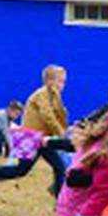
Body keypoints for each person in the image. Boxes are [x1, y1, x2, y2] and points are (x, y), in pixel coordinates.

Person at [23, 64, 70, 196]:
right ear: (49, 81)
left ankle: (58, 196)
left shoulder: (54, 96)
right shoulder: (41, 94)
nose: (63, 85)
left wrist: (65, 128)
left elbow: (59, 115)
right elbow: (48, 115)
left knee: (59, 167)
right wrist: (61, 133)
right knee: (20, 170)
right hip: (30, 137)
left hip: (43, 139)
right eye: (60, 81)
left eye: (64, 82)